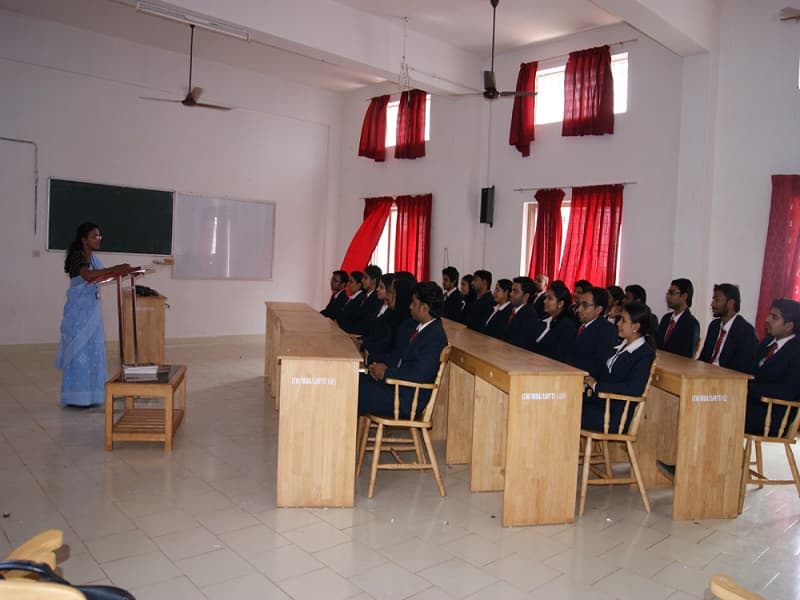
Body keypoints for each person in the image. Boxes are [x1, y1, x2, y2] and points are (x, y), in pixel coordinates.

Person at [56, 222, 130, 408]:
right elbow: (88, 276)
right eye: (94, 236)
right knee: (79, 353)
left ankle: (94, 396)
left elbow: (99, 277)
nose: (98, 239)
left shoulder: (95, 260)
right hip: (78, 314)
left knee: (94, 353)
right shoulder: (76, 257)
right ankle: (76, 397)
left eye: (99, 236)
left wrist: (120, 271)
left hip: (92, 313)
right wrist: (115, 269)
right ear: (83, 239)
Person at [358, 281, 448, 419]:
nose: (410, 306)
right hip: (396, 388)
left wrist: (386, 372)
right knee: (354, 380)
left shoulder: (434, 337)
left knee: (354, 390)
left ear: (424, 308)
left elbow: (418, 376)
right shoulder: (417, 327)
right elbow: (398, 357)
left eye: (413, 303)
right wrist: (377, 365)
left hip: (407, 399)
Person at [581, 301, 657, 432]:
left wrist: (597, 386)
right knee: (565, 402)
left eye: (623, 320)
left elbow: (633, 388)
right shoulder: (620, 345)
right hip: (600, 405)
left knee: (567, 410)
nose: (618, 324)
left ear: (635, 326)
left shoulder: (644, 354)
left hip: (614, 414)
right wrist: (588, 378)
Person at [744, 299, 800, 436]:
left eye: (774, 317)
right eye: (769, 315)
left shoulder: (796, 351)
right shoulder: (767, 343)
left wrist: (748, 388)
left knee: (722, 411)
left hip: (773, 413)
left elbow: (787, 391)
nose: (767, 319)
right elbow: (749, 371)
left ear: (789, 326)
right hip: (753, 405)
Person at [697, 283, 758, 374]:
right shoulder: (714, 325)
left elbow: (743, 369)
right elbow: (703, 358)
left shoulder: (746, 331)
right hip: (707, 375)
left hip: (727, 381)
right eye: (713, 299)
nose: (712, 304)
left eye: (717, 300)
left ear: (731, 303)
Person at [565, 287, 618, 380]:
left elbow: (600, 364)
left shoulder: (607, 330)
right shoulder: (579, 325)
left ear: (598, 309)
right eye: (579, 304)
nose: (579, 309)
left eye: (585, 305)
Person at [529, 280, 577, 361]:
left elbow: (558, 355)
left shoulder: (567, 327)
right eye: (545, 298)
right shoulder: (544, 320)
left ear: (560, 304)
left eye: (549, 298)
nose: (544, 301)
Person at [657, 278, 700, 357]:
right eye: (668, 293)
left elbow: (687, 355)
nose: (667, 297)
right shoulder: (666, 319)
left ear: (684, 296)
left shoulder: (691, 324)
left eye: (671, 293)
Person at [360, 273, 396, 356]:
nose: (377, 289)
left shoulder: (392, 314)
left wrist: (363, 344)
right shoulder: (379, 305)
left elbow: (384, 340)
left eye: (381, 287)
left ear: (390, 290)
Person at [503, 276, 541, 348]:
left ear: (526, 296)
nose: (510, 294)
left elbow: (520, 344)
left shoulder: (530, 317)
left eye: (515, 291)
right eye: (511, 290)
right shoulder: (510, 310)